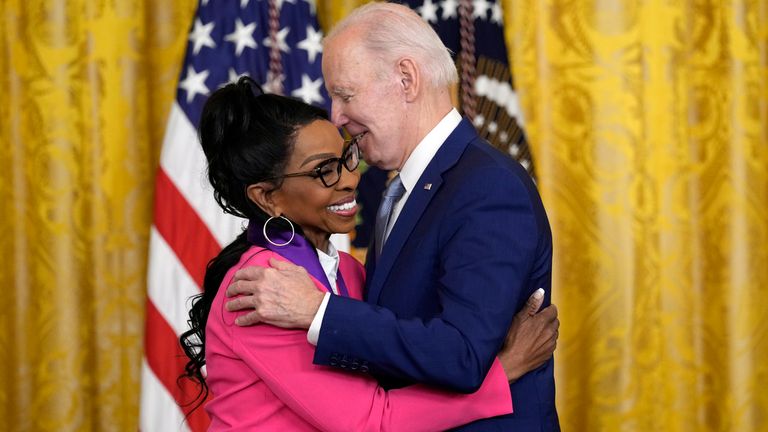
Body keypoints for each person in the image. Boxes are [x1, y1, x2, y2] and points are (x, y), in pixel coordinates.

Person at [225, 2, 560, 430]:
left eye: (345, 95)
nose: (336, 117)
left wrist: (319, 312)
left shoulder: (485, 187)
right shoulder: (408, 187)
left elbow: (462, 355)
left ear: (406, 79)